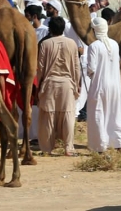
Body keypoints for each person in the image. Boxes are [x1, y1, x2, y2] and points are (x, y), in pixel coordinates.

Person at [36, 16, 81, 156]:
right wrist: (77, 84)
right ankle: (68, 147)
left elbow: (41, 67)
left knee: (48, 115)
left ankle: (47, 148)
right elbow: (76, 67)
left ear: (50, 29)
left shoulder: (45, 44)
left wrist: (39, 85)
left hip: (50, 83)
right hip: (68, 83)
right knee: (68, 114)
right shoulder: (72, 43)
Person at [85, 17, 121, 152]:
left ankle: (100, 147)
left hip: (100, 86)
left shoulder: (94, 46)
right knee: (115, 114)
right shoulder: (115, 44)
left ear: (94, 30)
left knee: (98, 115)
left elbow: (91, 68)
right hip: (115, 86)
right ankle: (119, 144)